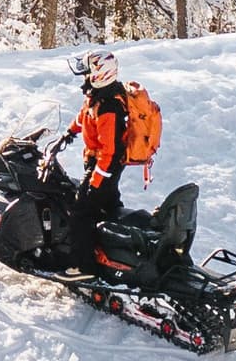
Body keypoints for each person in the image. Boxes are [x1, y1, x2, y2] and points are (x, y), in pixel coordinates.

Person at [58, 50, 161, 244]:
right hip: (99, 164)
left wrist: (97, 180)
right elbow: (85, 116)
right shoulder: (97, 96)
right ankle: (114, 250)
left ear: (99, 74)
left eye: (87, 73)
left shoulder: (109, 107)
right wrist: (70, 132)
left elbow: (111, 151)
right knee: (108, 207)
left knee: (80, 214)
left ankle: (83, 266)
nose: (85, 77)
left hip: (105, 166)